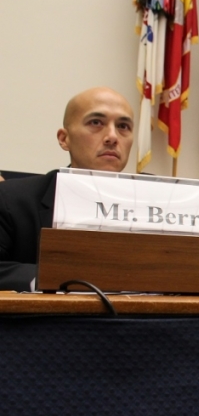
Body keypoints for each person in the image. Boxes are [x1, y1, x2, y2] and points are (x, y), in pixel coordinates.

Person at [0, 87, 135, 291]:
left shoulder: (162, 201)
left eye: (123, 126)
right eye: (96, 123)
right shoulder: (11, 199)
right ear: (64, 139)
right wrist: (56, 278)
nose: (112, 136)